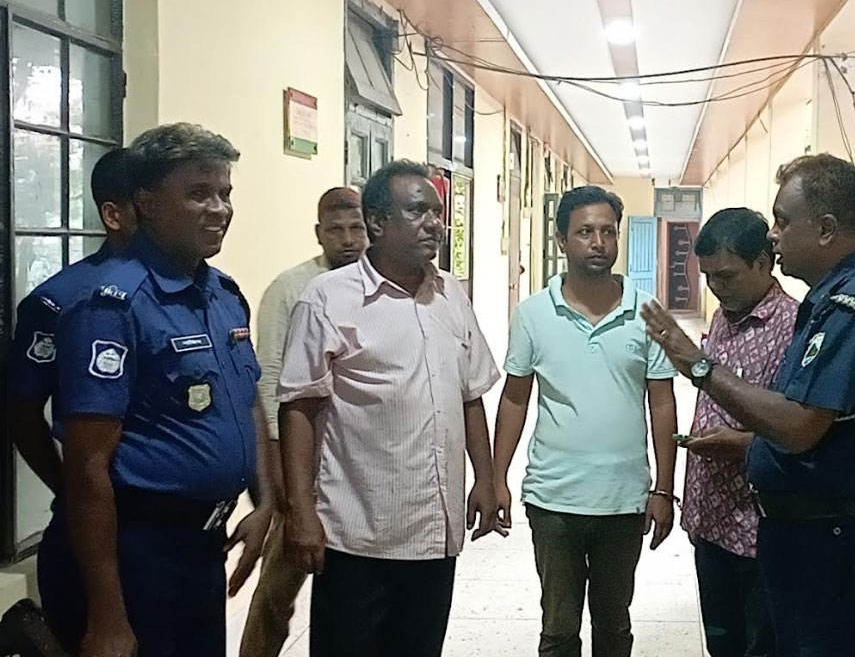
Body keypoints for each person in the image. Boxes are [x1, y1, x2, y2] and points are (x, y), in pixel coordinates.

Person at [643, 154, 855, 657]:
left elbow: (797, 426)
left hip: (833, 540)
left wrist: (700, 367)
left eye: (783, 221)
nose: (773, 236)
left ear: (826, 229)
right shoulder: (832, 301)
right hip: (808, 535)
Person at [41, 123, 275, 657]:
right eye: (199, 194)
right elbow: (87, 466)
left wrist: (265, 503)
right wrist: (107, 615)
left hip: (201, 546)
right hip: (134, 553)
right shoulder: (111, 307)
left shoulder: (222, 295)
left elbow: (246, 401)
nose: (219, 209)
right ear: (145, 202)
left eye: (224, 193)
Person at [277, 160, 502, 657]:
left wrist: (485, 480)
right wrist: (301, 511)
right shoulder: (328, 299)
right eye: (418, 211)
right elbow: (299, 408)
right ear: (377, 222)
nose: (434, 223)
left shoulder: (450, 295)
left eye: (437, 212)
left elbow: (470, 395)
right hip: (358, 535)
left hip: (435, 534)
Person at [493, 185, 678, 657]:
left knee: (614, 626)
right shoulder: (533, 314)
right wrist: (496, 479)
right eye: (585, 232)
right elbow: (514, 399)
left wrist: (663, 489)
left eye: (608, 232)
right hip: (554, 500)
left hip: (623, 500)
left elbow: (662, 403)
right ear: (561, 240)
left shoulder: (648, 314)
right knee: (558, 628)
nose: (598, 243)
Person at [239, 187, 366, 657]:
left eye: (356, 228)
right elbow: (271, 378)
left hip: (354, 465)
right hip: (300, 463)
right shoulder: (291, 288)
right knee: (277, 590)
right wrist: (280, 476)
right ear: (319, 233)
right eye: (336, 230)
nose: (348, 240)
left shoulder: (376, 286)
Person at [682, 208, 797, 657]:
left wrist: (741, 445)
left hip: (760, 529)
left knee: (761, 646)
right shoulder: (722, 318)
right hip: (711, 522)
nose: (716, 286)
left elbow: (799, 429)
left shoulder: (794, 327)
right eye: (708, 276)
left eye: (726, 275)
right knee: (722, 643)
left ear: (763, 263)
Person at [7, 148, 139, 497]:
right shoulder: (61, 299)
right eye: (146, 204)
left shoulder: (199, 291)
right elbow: (23, 412)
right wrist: (71, 495)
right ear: (113, 215)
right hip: (112, 507)